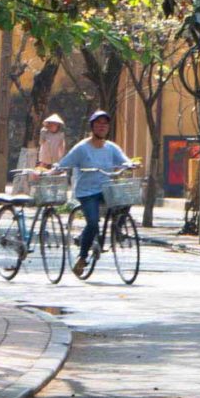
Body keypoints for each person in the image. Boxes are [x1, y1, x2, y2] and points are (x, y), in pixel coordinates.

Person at [56, 110, 130, 276]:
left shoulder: (111, 147)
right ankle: (82, 258)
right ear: (92, 127)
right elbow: (64, 163)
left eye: (105, 124)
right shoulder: (82, 148)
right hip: (87, 192)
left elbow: (124, 160)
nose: (102, 127)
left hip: (106, 189)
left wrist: (131, 164)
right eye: (98, 124)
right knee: (93, 223)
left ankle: (117, 230)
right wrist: (50, 171)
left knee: (126, 200)